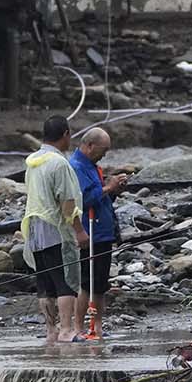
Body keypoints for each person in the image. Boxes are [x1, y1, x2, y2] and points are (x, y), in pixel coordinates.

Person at [21, 114, 88, 343]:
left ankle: (51, 331)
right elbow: (67, 203)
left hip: (33, 228)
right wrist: (79, 230)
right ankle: (67, 330)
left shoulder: (33, 161)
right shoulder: (59, 163)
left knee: (45, 284)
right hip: (55, 229)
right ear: (66, 134)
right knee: (65, 281)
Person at [69, 126, 129, 340]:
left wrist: (113, 190)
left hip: (103, 232)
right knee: (87, 282)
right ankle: (78, 328)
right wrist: (108, 188)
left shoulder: (93, 166)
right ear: (90, 145)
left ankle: (97, 326)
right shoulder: (75, 167)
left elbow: (100, 197)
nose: (104, 154)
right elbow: (82, 200)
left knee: (100, 283)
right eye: (103, 150)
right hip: (89, 232)